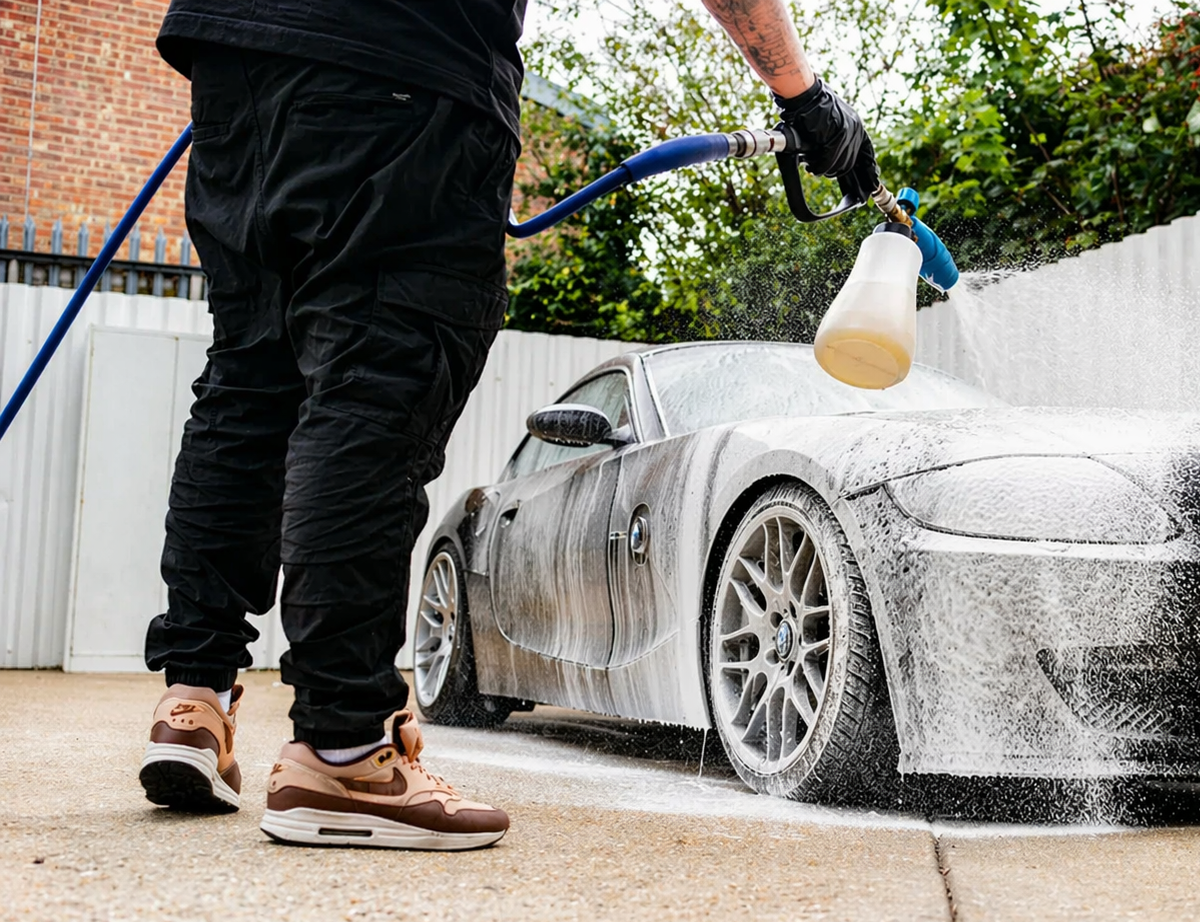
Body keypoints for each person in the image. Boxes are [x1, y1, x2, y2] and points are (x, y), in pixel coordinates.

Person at [136, 0, 880, 850]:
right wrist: (804, 96)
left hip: (236, 59)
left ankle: (193, 700)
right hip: (404, 68)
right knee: (376, 383)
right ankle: (344, 752)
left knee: (250, 379)